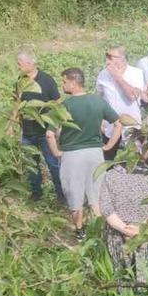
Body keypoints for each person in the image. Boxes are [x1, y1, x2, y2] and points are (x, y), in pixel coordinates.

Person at [46, 68, 122, 240]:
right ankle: (102, 231)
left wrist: (56, 152)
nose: (63, 85)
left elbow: (50, 134)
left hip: (72, 155)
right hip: (95, 153)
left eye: (64, 82)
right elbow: (118, 124)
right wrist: (109, 145)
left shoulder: (64, 106)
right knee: (96, 194)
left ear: (73, 82)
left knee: (75, 194)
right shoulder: (98, 101)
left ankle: (80, 231)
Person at [99, 138, 148, 284]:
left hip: (117, 234)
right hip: (145, 235)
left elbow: (106, 209)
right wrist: (139, 230)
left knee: (120, 277)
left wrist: (125, 229)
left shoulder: (110, 175)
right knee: (147, 279)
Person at [16, 51, 65, 203]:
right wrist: (13, 124)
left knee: (53, 163)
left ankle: (61, 194)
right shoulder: (20, 80)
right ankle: (36, 193)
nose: (18, 67)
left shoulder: (46, 80)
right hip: (27, 131)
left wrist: (56, 124)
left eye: (20, 64)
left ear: (30, 64)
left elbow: (57, 102)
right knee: (31, 164)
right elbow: (16, 104)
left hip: (45, 131)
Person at [96, 47, 145, 161]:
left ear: (122, 59)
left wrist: (117, 76)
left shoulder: (136, 73)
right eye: (106, 56)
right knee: (105, 161)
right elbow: (99, 98)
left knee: (134, 161)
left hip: (131, 128)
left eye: (110, 57)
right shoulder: (103, 74)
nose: (106, 60)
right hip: (110, 128)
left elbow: (132, 96)